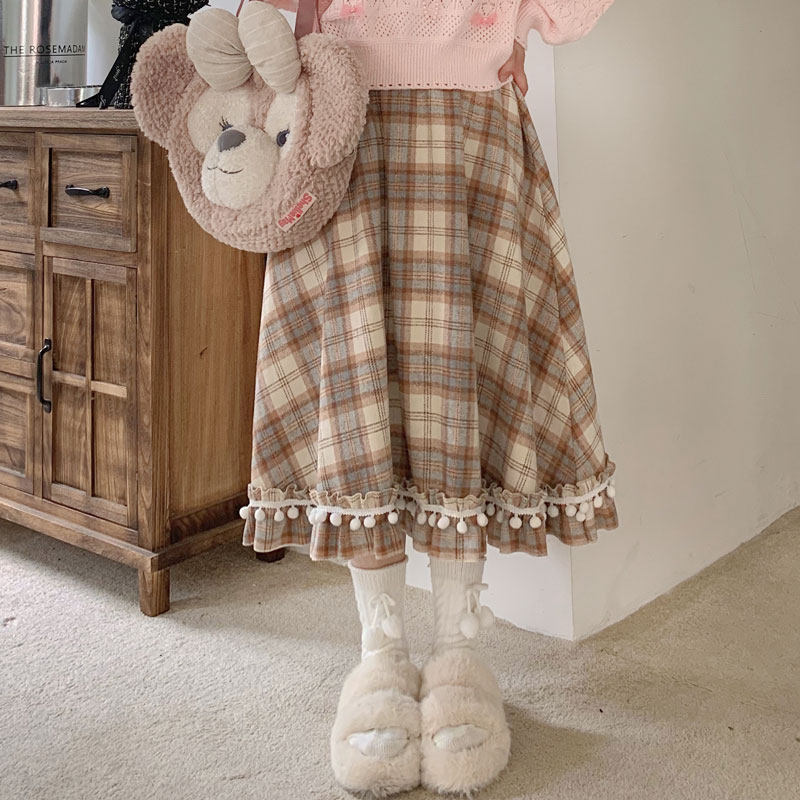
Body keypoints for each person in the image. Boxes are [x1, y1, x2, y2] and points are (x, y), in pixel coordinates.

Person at [239, 0, 619, 794]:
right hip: (338, 118)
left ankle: (458, 655)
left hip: (471, 123)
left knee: (461, 388)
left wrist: (513, 27)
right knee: (354, 390)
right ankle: (379, 657)